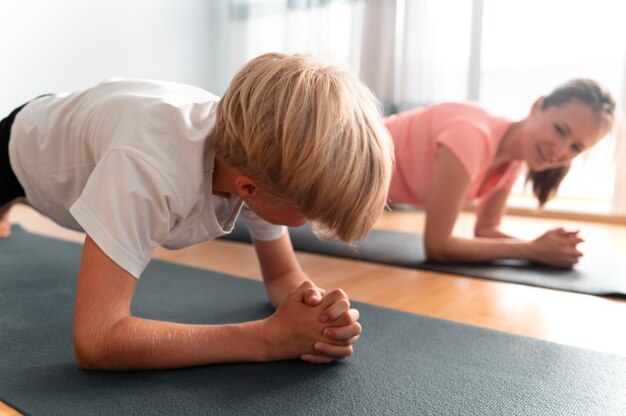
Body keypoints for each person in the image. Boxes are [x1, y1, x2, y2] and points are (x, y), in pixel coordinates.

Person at [0, 53, 394, 370]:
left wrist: (314, 315)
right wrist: (268, 339)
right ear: (249, 189)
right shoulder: (148, 169)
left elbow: (282, 275)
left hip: (80, 124)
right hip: (22, 144)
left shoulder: (255, 153)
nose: (312, 221)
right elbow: (97, 340)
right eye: (311, 213)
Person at [385, 79, 615, 268]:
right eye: (559, 130)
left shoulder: (512, 160)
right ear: (537, 106)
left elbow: (486, 229)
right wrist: (533, 250)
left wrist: (544, 247)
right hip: (350, 158)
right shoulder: (471, 136)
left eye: (575, 147)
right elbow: (438, 246)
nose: (559, 151)